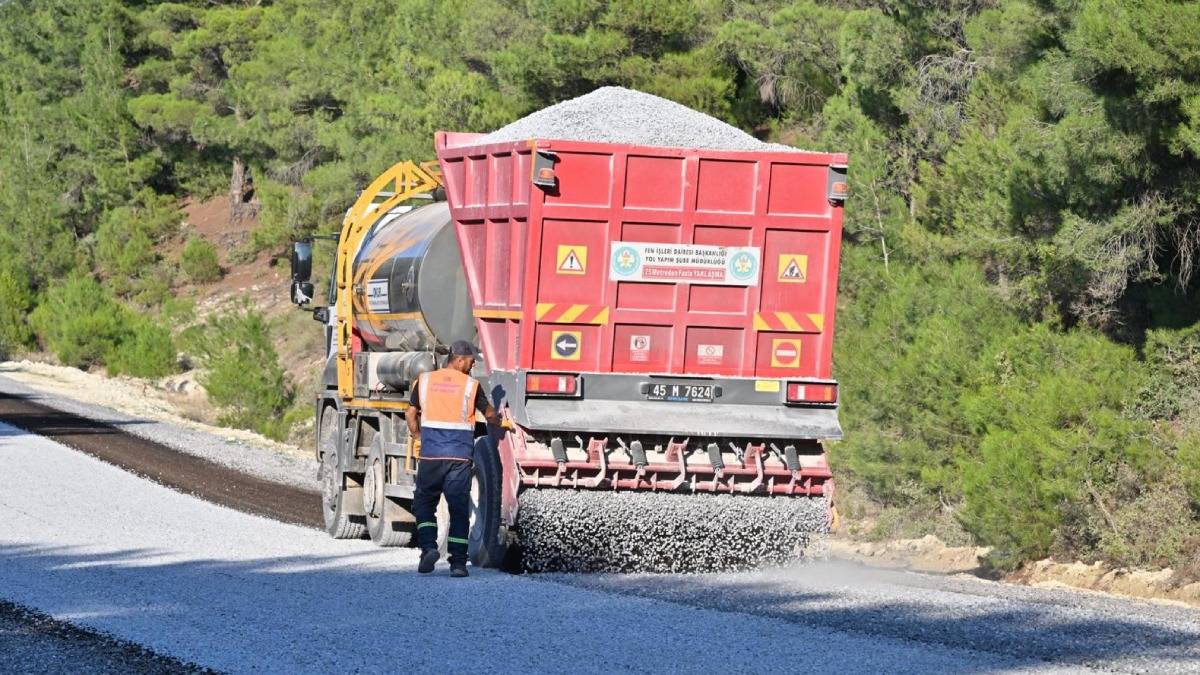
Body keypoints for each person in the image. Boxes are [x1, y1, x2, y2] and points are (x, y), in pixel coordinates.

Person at [405, 339, 501, 577]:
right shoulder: (471, 386)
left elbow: (410, 414)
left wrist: (418, 436)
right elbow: (489, 414)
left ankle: (428, 548)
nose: (472, 365)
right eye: (470, 361)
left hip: (431, 455)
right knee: (458, 509)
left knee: (424, 503)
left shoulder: (424, 381)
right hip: (459, 457)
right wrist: (501, 422)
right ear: (459, 359)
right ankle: (458, 563)